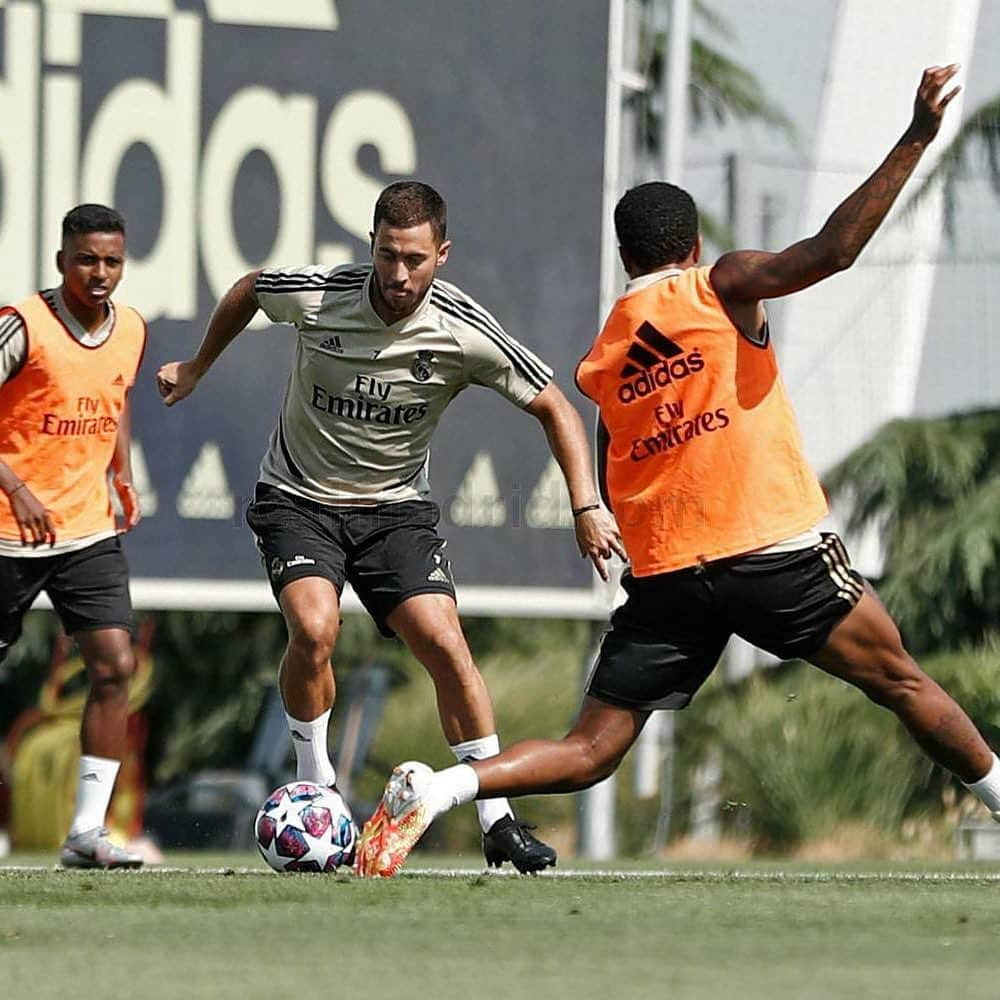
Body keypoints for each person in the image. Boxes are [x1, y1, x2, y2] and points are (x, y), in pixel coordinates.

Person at [354, 65, 1000, 877]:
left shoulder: (607, 351)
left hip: (669, 579)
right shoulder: (722, 285)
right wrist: (914, 137)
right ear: (689, 247)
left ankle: (443, 788)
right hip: (772, 551)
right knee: (903, 681)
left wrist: (598, 512)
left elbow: (615, 447)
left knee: (589, 751)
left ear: (625, 256)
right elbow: (834, 250)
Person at [156, 181, 624, 873]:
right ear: (371, 247)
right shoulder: (321, 294)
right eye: (386, 256)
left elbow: (555, 405)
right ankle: (318, 787)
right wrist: (197, 366)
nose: (398, 275)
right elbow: (252, 288)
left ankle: (496, 820)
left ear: (442, 254)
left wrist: (586, 504)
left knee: (444, 641)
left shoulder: (464, 329)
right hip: (298, 498)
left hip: (396, 512)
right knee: (314, 628)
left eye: (414, 259)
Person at [0, 204, 146, 869]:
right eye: (87, 259)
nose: (100, 272)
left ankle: (87, 833)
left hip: (86, 529)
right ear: (62, 261)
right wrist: (17, 487)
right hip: (9, 530)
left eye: (112, 260)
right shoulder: (21, 327)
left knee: (116, 665)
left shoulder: (131, 329)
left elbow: (115, 400)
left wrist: (121, 472)